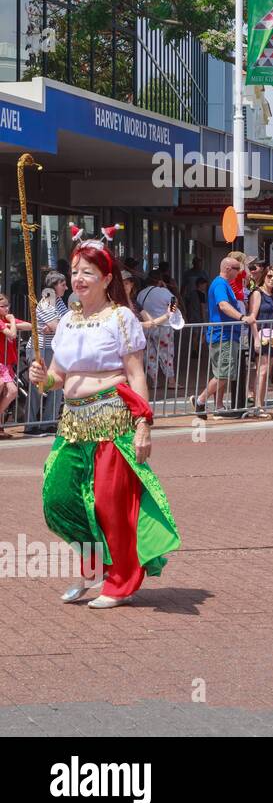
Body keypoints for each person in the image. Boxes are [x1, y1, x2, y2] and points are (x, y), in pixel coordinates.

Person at [27, 229, 180, 608]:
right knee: (58, 496)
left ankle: (120, 582)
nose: (78, 279)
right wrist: (41, 378)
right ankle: (94, 565)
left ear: (107, 279)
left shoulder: (121, 318)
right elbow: (57, 377)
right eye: (75, 271)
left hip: (112, 418)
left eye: (88, 273)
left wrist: (144, 423)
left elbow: (136, 374)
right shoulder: (67, 322)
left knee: (111, 505)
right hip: (72, 421)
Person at [194, 257, 249, 419]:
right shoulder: (220, 284)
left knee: (223, 373)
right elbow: (223, 305)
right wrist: (241, 317)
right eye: (236, 268)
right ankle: (200, 401)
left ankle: (215, 405)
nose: (239, 271)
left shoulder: (223, 284)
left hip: (226, 334)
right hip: (223, 335)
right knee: (224, 374)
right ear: (227, 268)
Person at [27, 274, 70, 435]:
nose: (66, 288)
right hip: (40, 348)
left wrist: (57, 324)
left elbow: (67, 321)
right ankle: (31, 424)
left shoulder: (57, 301)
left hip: (54, 347)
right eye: (63, 284)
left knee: (57, 385)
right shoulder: (46, 301)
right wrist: (56, 325)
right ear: (53, 286)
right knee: (38, 384)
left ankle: (48, 422)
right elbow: (59, 326)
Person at [135, 268, 180, 391]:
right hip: (163, 327)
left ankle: (154, 381)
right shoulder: (163, 291)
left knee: (150, 354)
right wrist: (170, 313)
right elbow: (174, 301)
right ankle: (171, 381)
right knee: (167, 354)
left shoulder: (141, 293)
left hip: (147, 327)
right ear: (159, 280)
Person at [247, 265, 273, 417]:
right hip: (261, 335)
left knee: (267, 371)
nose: (272, 279)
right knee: (261, 370)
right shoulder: (257, 293)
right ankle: (258, 405)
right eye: (269, 276)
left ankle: (261, 403)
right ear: (264, 277)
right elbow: (252, 317)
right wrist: (255, 338)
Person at [0, 294, 31, 437]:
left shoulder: (6, 320)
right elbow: (12, 335)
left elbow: (29, 325)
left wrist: (11, 323)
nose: (7, 309)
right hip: (1, 362)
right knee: (8, 389)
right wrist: (11, 322)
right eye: (3, 306)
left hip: (8, 363)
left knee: (11, 392)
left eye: (8, 305)